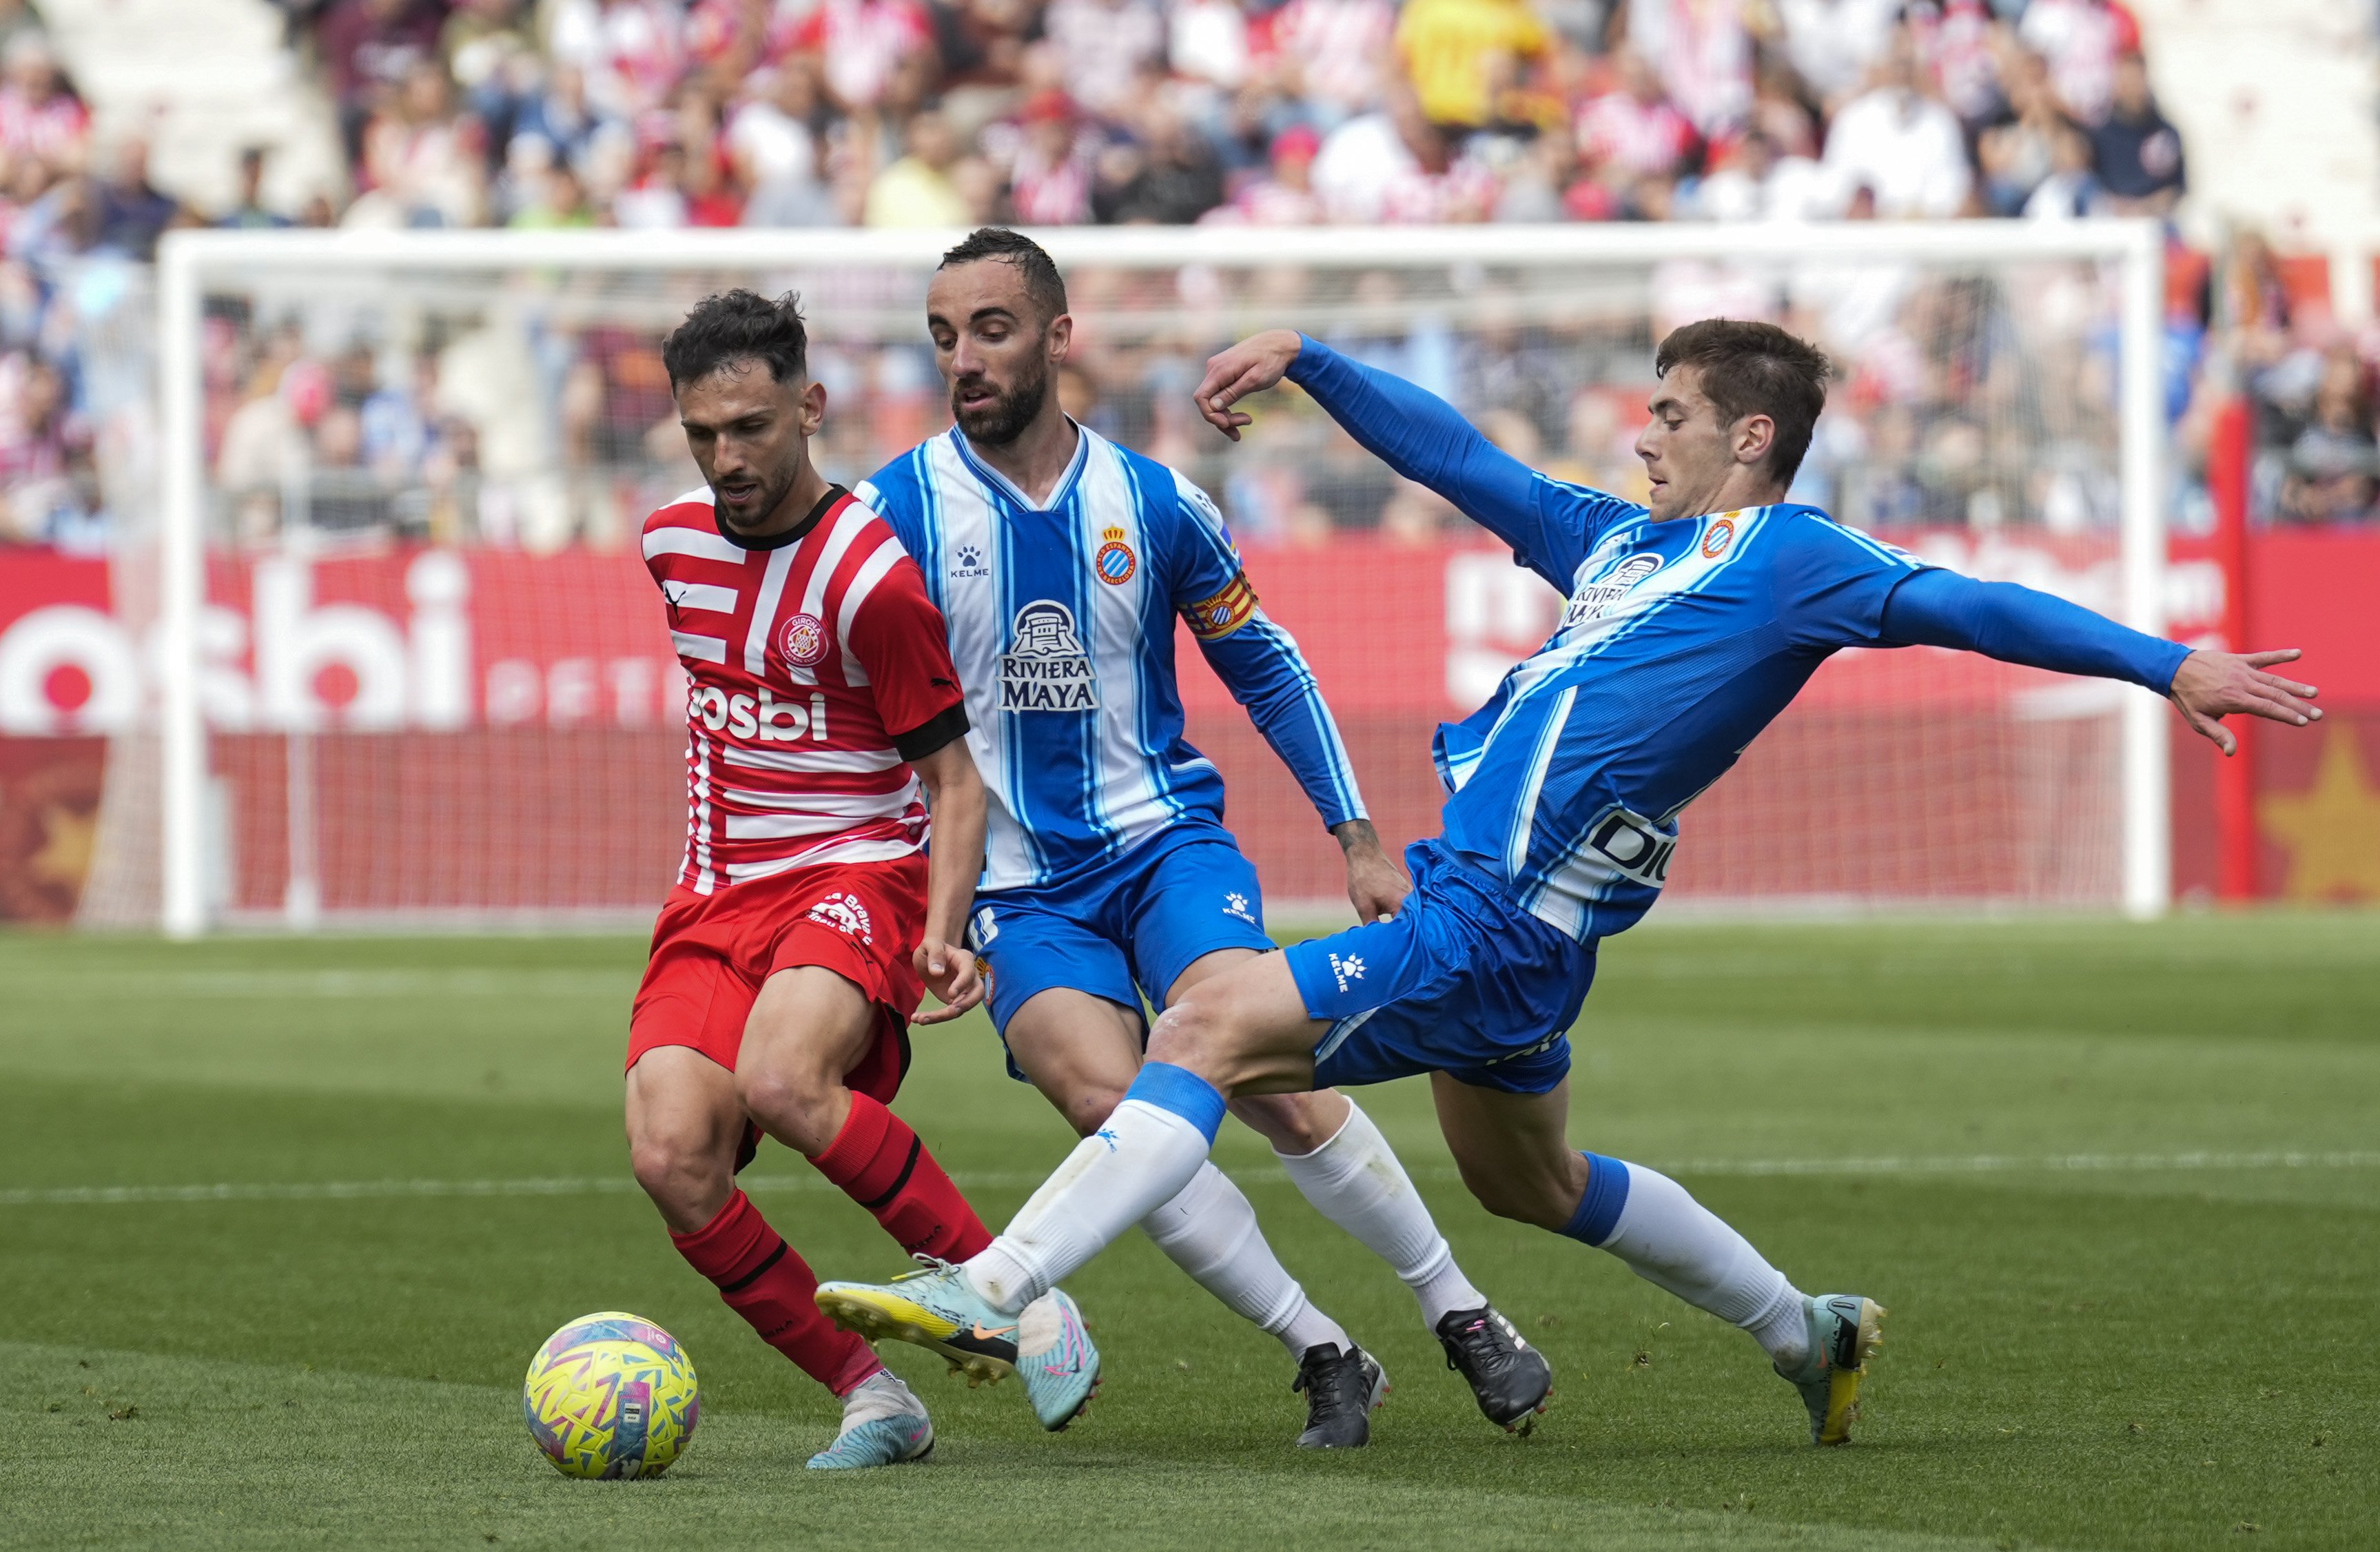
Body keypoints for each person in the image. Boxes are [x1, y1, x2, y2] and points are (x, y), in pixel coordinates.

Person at [814, 316, 2323, 1447]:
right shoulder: (1611, 544)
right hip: (1516, 935)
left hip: (1480, 925)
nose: (1639, 436)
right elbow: (1458, 460)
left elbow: (1967, 605)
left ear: (1746, 440)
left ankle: (993, 1287)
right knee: (1521, 1181)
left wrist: (2159, 660)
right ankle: (1804, 1332)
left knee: (1202, 1029)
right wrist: (1313, 360)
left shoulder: (1789, 557)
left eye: (1667, 415)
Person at [834, 229, 1551, 1449]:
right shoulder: (887, 511)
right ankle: (1322, 1348)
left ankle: (1460, 1307)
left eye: (993, 329)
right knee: (1105, 1100)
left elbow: (1264, 667)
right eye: (944, 335)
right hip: (1019, 889)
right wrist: (924, 910)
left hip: (1164, 845)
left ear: (1060, 338)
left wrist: (1358, 837)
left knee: (1252, 1062)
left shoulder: (1156, 503)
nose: (965, 358)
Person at [624, 289, 1100, 1471]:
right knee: (670, 1155)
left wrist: (944, 932)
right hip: (715, 894)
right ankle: (874, 1396)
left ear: (809, 407)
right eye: (703, 434)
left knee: (785, 1080)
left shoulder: (870, 578)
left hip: (857, 871)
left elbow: (953, 783)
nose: (728, 458)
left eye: (751, 427)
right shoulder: (669, 544)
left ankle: (1020, 1293)